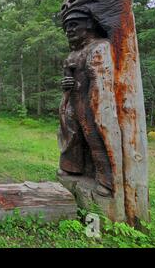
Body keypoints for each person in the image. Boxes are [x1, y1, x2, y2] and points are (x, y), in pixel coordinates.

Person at [57, 10, 116, 197]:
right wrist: (66, 83)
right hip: (73, 101)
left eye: (74, 25)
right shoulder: (73, 54)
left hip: (93, 100)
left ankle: (107, 180)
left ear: (89, 24)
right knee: (71, 134)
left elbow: (102, 79)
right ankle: (71, 166)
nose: (69, 30)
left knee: (95, 137)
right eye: (67, 27)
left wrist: (97, 103)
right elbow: (67, 79)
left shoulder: (100, 47)